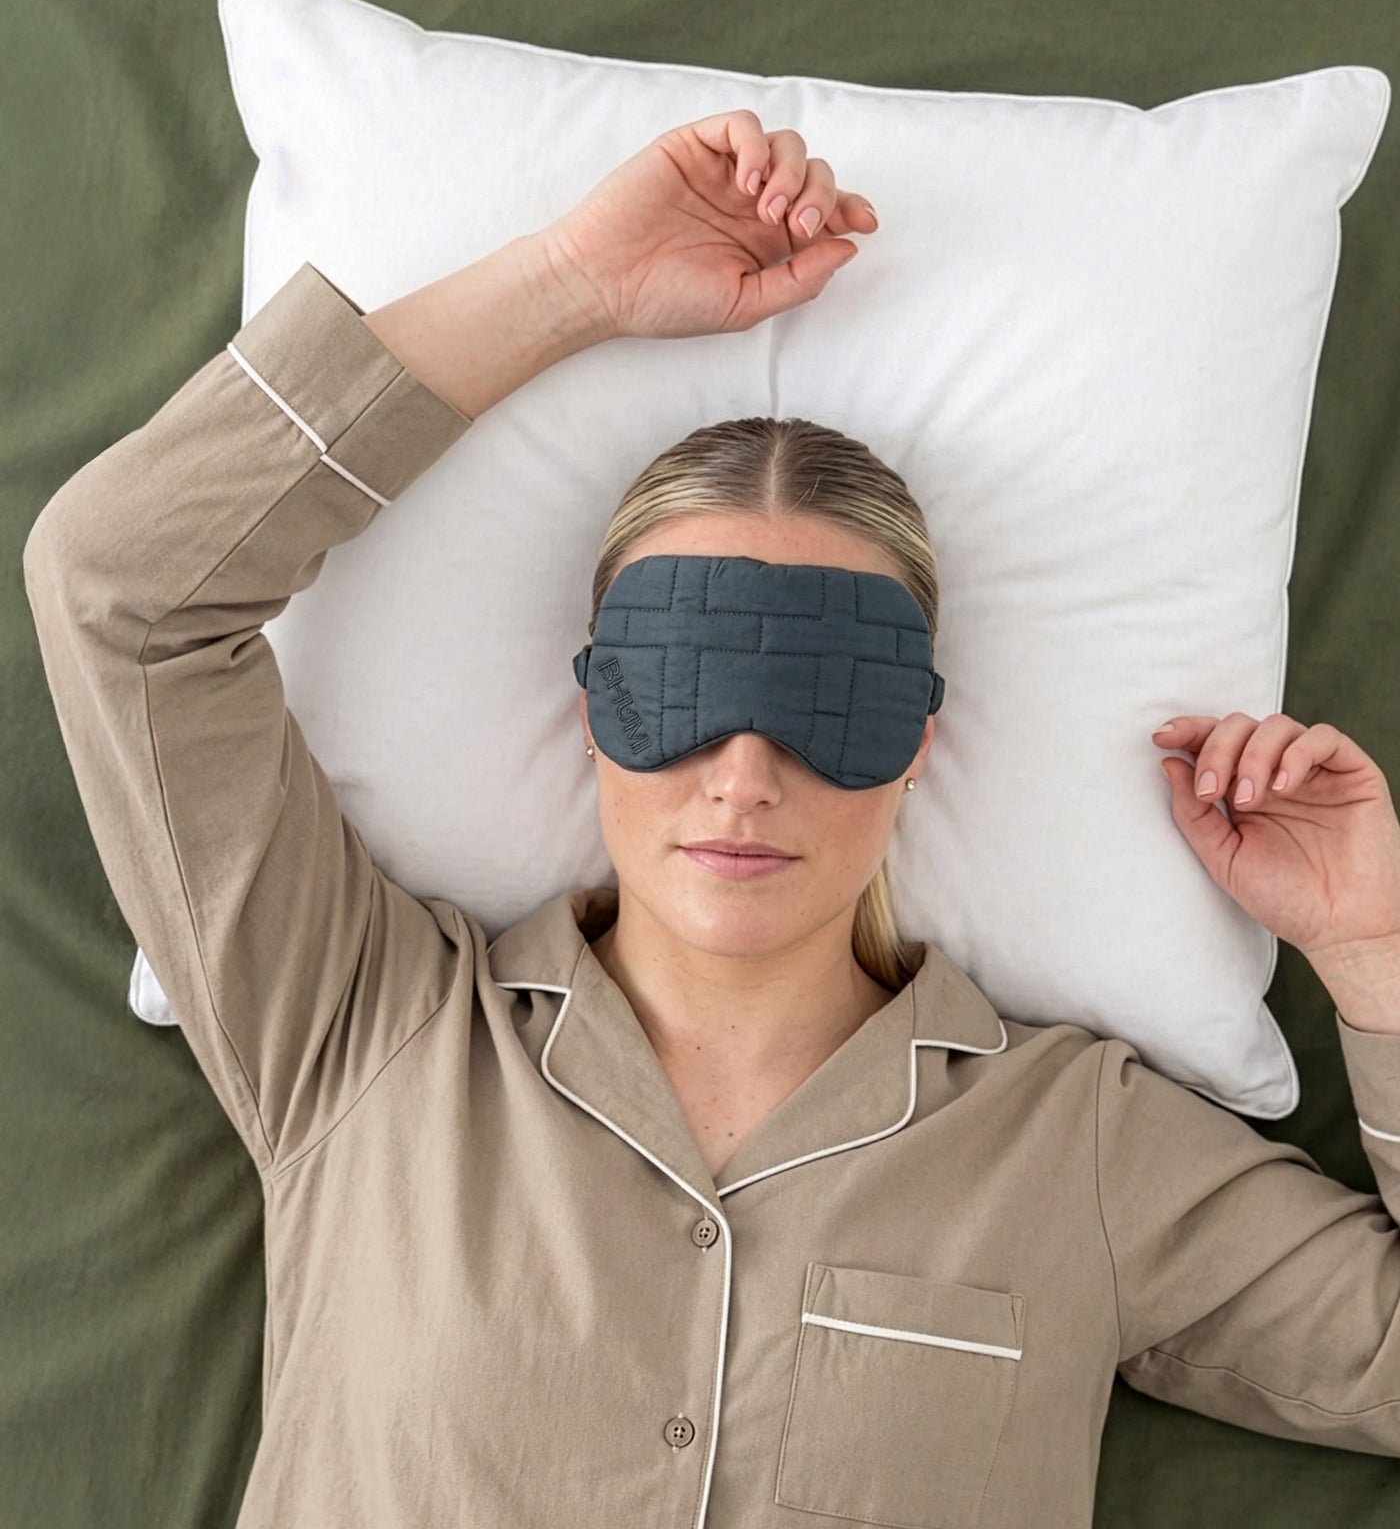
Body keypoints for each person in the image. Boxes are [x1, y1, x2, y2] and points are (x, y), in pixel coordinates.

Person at [22, 108, 1400, 1528]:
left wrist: (1373, 951)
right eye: (679, 689)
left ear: (917, 742)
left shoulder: (1076, 1148)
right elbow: (122, 589)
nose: (743, 776)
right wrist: (567, 287)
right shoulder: (365, 1033)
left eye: (827, 702)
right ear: (592, 708)